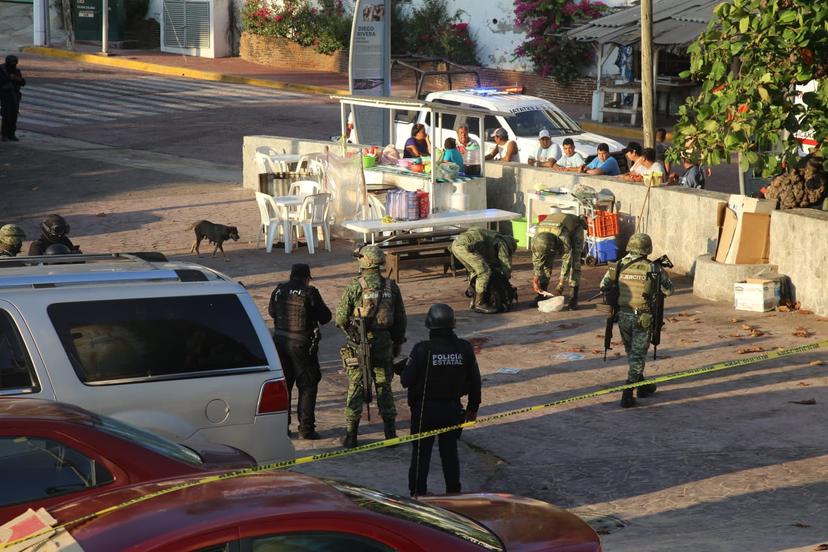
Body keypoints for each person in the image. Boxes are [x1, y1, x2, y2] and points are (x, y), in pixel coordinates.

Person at [398, 303, 481, 497]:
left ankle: (418, 496)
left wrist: (405, 367)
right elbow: (475, 380)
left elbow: (405, 381)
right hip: (452, 409)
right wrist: (473, 407)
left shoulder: (421, 349)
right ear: (452, 324)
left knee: (421, 456)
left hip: (424, 412)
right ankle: (454, 493)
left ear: (429, 325)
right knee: (450, 454)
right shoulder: (464, 348)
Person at [335, 245, 407, 448]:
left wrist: (353, 335)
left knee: (356, 385)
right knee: (384, 386)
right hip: (384, 344)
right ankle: (390, 435)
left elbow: (340, 318)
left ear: (365, 261)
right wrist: (397, 343)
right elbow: (400, 319)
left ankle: (351, 435)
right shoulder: (391, 287)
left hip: (360, 345)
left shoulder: (355, 286)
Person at [599, 233, 673, 408]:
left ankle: (642, 386)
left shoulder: (618, 266)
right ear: (647, 249)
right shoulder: (653, 268)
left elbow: (604, 286)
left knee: (633, 354)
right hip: (643, 318)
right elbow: (669, 291)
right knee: (638, 356)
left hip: (623, 316)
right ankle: (627, 392)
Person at [268, 263, 332, 440]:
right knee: (308, 385)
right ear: (307, 277)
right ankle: (306, 428)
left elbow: (272, 312)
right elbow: (326, 317)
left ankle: (283, 428)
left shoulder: (279, 291)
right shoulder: (310, 292)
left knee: (284, 387)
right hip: (302, 345)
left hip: (280, 344)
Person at [450, 228, 517, 314]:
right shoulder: (502, 243)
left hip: (456, 245)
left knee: (475, 270)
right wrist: (505, 281)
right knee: (484, 271)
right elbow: (505, 264)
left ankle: (473, 296)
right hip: (465, 247)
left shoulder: (492, 235)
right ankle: (479, 303)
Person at [531, 209, 587, 309]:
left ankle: (573, 297)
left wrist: (560, 284)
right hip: (551, 233)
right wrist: (535, 281)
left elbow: (567, 260)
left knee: (575, 261)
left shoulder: (563, 238)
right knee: (546, 262)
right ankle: (542, 294)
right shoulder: (537, 239)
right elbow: (537, 261)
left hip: (575, 228)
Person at [0, 55, 25, 142]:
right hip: (5, 95)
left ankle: (11, 134)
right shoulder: (2, 70)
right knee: (6, 115)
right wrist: (8, 78)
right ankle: (4, 134)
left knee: (13, 115)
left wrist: (17, 79)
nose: (13, 66)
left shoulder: (16, 71)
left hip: (15, 95)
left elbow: (23, 82)